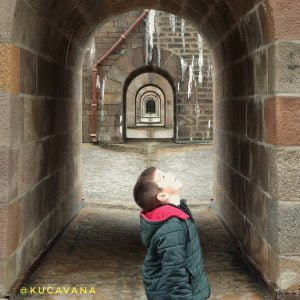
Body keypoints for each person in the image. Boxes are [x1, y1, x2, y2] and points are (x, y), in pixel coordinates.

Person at [133, 166, 211, 299]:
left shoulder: (178, 213)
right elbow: (175, 274)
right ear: (162, 196)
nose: (169, 173)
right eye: (163, 177)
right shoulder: (172, 227)